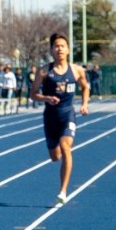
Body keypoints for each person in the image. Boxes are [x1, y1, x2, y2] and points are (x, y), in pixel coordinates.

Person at [36, 33, 89, 204]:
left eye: (62, 46)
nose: (59, 49)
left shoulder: (76, 70)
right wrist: (46, 98)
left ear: (68, 50)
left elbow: (85, 87)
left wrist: (85, 104)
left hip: (67, 114)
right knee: (55, 157)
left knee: (66, 147)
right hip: (50, 118)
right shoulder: (44, 71)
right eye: (56, 46)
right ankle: (55, 149)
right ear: (52, 50)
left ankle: (63, 191)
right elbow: (32, 94)